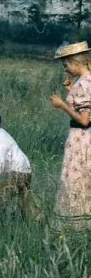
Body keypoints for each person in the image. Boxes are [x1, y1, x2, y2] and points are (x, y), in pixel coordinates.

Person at [50, 41, 91, 231]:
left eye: (66, 65)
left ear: (76, 62)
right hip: (82, 137)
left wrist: (62, 105)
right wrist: (70, 90)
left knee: (78, 179)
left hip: (81, 139)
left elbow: (84, 120)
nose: (66, 70)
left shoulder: (85, 83)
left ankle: (79, 225)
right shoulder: (86, 80)